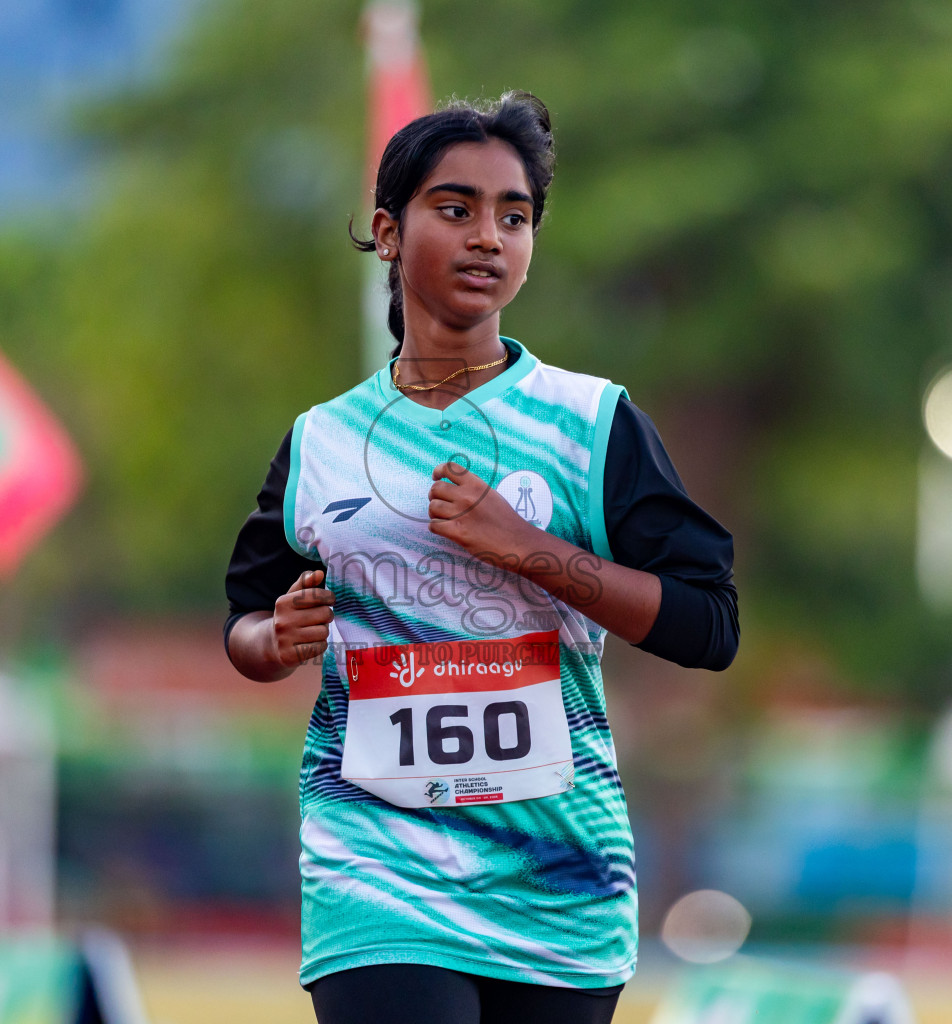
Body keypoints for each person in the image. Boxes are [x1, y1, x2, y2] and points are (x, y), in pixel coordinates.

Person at [224, 91, 738, 1024]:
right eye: (455, 209)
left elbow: (711, 625)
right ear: (388, 232)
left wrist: (533, 551)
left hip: (559, 876)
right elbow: (246, 625)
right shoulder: (320, 441)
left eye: (515, 217)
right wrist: (275, 638)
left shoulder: (592, 424)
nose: (488, 238)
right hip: (374, 867)